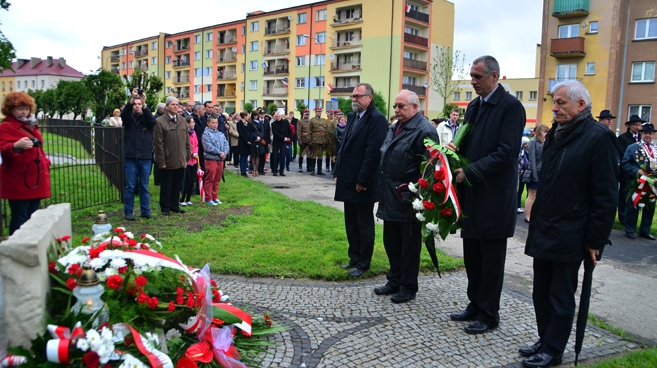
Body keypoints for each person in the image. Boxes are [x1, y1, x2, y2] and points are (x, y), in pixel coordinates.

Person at [522, 79, 618, 368]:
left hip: (571, 232)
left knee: (560, 294)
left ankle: (554, 349)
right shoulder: (555, 135)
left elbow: (605, 195)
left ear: (581, 104)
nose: (554, 109)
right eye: (553, 102)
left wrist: (595, 241)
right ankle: (544, 338)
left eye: (561, 103)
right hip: (546, 226)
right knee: (541, 290)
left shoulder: (598, 137)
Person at [446, 55, 525, 334]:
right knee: (472, 256)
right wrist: (452, 156)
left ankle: (489, 313)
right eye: (471, 75)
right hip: (472, 195)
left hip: (494, 197)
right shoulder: (474, 105)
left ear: (495, 76)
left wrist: (471, 171)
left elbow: (506, 153)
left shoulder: (511, 107)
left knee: (491, 260)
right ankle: (475, 304)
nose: (473, 81)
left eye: (478, 76)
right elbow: (467, 143)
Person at [374, 89, 439, 303]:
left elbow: (430, 169)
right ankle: (394, 280)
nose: (396, 110)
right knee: (391, 242)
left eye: (401, 106)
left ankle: (408, 286)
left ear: (414, 107)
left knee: (409, 246)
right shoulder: (395, 128)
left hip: (410, 199)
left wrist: (421, 198)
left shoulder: (425, 130)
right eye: (395, 106)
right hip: (390, 194)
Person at [333, 83, 388, 278]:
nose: (354, 99)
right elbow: (344, 147)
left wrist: (362, 180)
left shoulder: (377, 119)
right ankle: (354, 257)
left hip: (363, 182)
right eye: (353, 96)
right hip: (348, 179)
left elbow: (372, 154)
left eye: (358, 96)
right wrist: (338, 172)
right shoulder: (352, 116)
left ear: (369, 97)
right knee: (351, 222)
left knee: (364, 224)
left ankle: (364, 262)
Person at [0, 92, 51, 234]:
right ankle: (17, 249)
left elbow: (39, 147)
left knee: (33, 216)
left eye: (26, 108)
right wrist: (15, 146)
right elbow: (2, 150)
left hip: (36, 178)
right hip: (19, 179)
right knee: (19, 216)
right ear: (11, 109)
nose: (24, 111)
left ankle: (31, 244)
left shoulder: (31, 125)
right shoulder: (6, 126)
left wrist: (46, 162)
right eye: (19, 108)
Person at [120, 88, 156, 221]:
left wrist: (144, 103)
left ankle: (145, 211)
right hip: (131, 158)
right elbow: (124, 115)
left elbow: (152, 121)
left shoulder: (146, 120)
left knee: (144, 187)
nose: (137, 106)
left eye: (139, 104)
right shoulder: (128, 121)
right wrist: (131, 99)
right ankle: (128, 211)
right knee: (130, 186)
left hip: (145, 157)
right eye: (135, 104)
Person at [154, 96, 191, 216]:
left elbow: (187, 140)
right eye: (173, 105)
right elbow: (158, 143)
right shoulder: (160, 121)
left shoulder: (182, 121)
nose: (175, 107)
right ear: (167, 106)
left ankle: (175, 205)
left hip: (181, 158)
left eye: (177, 105)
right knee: (166, 184)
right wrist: (161, 161)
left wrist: (187, 155)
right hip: (168, 159)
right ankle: (165, 207)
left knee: (177, 184)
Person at [621, 122, 656, 240]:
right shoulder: (633, 147)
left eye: (650, 134)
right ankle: (630, 229)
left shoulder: (656, 149)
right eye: (645, 133)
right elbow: (625, 163)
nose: (648, 136)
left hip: (652, 184)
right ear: (641, 134)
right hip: (636, 182)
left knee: (650, 206)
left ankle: (645, 230)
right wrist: (636, 171)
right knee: (633, 206)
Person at [617, 115, 644, 227]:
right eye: (636, 125)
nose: (638, 127)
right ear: (630, 126)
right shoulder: (623, 138)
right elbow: (623, 155)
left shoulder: (642, 138)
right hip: (626, 172)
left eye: (639, 125)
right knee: (624, 195)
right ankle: (623, 218)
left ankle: (631, 219)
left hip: (640, 173)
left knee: (636, 196)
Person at [523, 124, 549, 223]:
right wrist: (534, 175)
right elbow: (532, 159)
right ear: (540, 132)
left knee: (539, 195)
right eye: (545, 131)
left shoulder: (544, 142)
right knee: (532, 195)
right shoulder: (533, 142)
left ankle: (535, 214)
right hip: (535, 171)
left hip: (542, 171)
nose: (546, 133)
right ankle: (528, 216)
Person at [202, 116, 229, 205]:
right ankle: (209, 198)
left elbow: (226, 144)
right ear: (208, 123)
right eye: (213, 123)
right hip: (211, 159)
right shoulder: (206, 134)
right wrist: (219, 152)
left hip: (220, 160)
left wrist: (224, 152)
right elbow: (208, 147)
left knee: (217, 179)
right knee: (210, 179)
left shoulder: (220, 133)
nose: (215, 125)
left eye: (216, 123)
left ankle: (215, 196)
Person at [180, 116, 198, 207]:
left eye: (194, 122)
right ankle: (182, 198)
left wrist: (195, 152)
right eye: (192, 122)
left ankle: (188, 199)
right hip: (186, 161)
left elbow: (196, 144)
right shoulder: (183, 133)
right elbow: (183, 145)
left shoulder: (194, 132)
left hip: (194, 160)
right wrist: (190, 153)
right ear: (187, 123)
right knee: (186, 181)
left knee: (192, 181)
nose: (193, 124)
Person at [309, 107, 329, 175]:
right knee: (314, 155)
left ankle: (319, 170)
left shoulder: (324, 120)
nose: (319, 112)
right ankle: (312, 170)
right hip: (315, 139)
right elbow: (309, 131)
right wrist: (310, 140)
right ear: (315, 112)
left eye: (320, 111)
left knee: (320, 155)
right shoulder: (312, 120)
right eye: (318, 111)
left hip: (322, 139)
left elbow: (326, 131)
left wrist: (326, 139)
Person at [270, 112, 292, 176]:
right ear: (275, 117)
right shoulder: (273, 124)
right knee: (275, 156)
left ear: (281, 116)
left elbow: (289, 130)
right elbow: (275, 133)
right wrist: (283, 138)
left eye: (279, 116)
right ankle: (275, 170)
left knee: (283, 156)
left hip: (283, 142)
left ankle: (282, 170)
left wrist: (289, 137)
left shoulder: (285, 122)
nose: (278, 117)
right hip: (276, 142)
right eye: (276, 116)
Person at [236, 111, 254, 177]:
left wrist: (250, 140)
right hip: (242, 142)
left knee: (246, 157)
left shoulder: (249, 124)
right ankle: (242, 171)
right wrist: (246, 141)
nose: (249, 117)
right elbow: (241, 133)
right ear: (244, 116)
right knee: (242, 157)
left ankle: (245, 171)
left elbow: (250, 132)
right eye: (248, 116)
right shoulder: (239, 124)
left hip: (248, 143)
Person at [517, 136, 530, 214]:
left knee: (529, 190)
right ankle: (518, 206)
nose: (527, 145)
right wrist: (521, 170)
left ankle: (526, 207)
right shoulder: (521, 152)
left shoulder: (528, 151)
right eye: (525, 144)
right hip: (522, 172)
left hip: (528, 172)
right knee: (520, 189)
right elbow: (521, 162)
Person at [250, 111, 264, 177]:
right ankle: (253, 169)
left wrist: (260, 137)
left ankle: (257, 170)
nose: (256, 117)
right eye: (255, 115)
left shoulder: (260, 122)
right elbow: (250, 132)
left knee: (258, 155)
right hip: (253, 140)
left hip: (259, 140)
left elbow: (262, 131)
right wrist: (255, 137)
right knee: (253, 155)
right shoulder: (251, 123)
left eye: (257, 115)